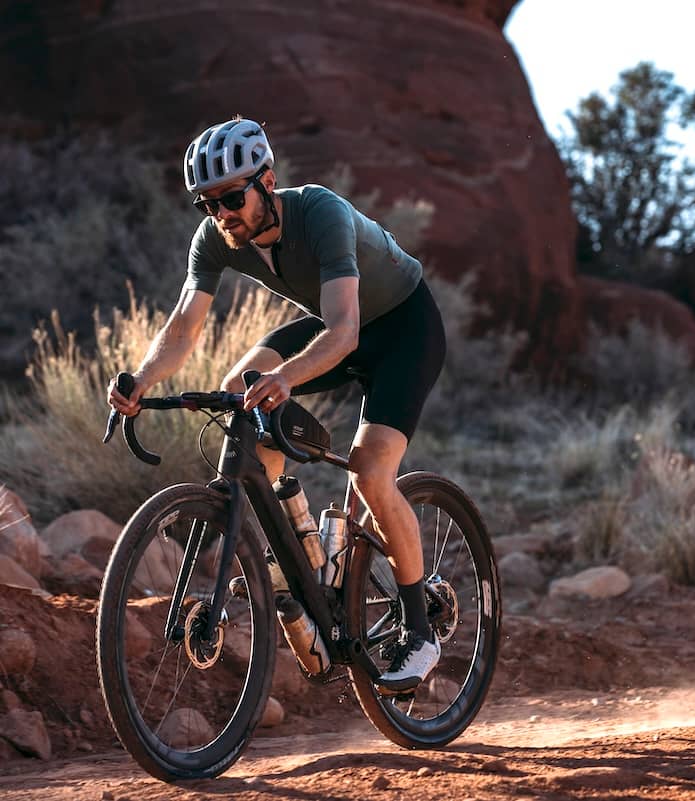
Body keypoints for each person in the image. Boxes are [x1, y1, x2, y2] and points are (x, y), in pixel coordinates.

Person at [107, 117, 446, 693]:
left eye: (233, 198)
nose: (222, 214)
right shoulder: (216, 237)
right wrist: (140, 379)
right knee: (239, 389)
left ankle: (420, 630)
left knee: (370, 473)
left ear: (267, 180)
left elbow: (343, 331)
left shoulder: (321, 214)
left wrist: (286, 377)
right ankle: (294, 564)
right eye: (207, 205)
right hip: (336, 324)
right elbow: (186, 326)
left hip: (402, 329)